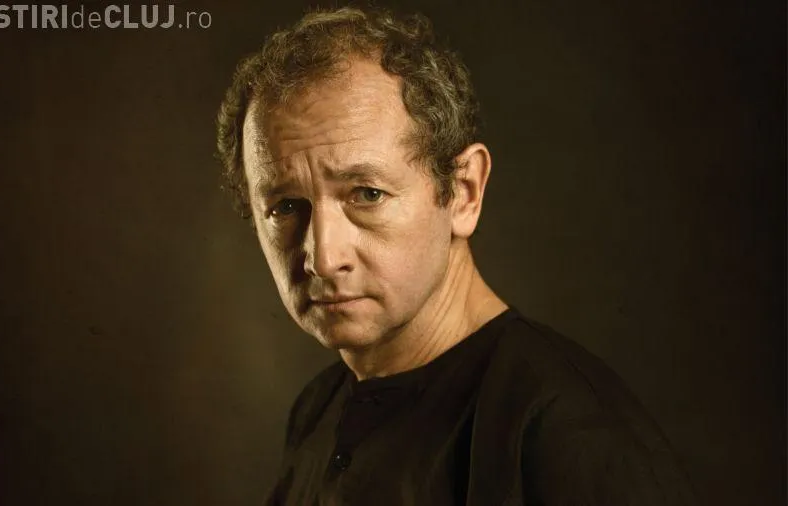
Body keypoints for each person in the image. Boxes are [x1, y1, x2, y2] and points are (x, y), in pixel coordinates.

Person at [216, 6, 697, 505]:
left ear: (464, 192)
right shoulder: (318, 410)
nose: (322, 256)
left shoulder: (571, 435)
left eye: (367, 194)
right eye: (285, 206)